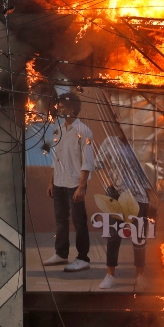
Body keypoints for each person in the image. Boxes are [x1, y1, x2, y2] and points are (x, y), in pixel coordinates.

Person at [42, 92, 95, 273]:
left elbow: (87, 162)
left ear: (72, 108)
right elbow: (56, 159)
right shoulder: (59, 130)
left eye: (62, 106)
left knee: (79, 222)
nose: (59, 108)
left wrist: (82, 187)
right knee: (61, 220)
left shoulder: (84, 131)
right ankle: (61, 253)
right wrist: (51, 182)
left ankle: (83, 258)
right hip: (59, 183)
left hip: (75, 184)